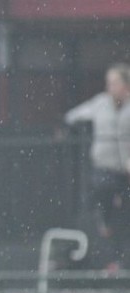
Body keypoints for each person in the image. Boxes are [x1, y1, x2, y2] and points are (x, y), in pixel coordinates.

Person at [65, 63, 130, 271]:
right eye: (109, 82)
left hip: (126, 170)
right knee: (104, 194)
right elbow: (74, 116)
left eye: (115, 82)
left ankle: (120, 259)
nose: (110, 87)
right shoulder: (100, 103)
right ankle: (106, 226)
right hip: (105, 168)